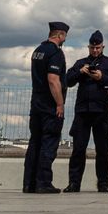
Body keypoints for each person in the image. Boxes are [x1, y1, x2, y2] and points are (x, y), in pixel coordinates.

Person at [63, 29, 108, 192]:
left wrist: (101, 77)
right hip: (82, 112)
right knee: (78, 149)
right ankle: (74, 183)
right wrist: (80, 72)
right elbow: (67, 80)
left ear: (103, 47)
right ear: (89, 47)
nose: (95, 50)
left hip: (100, 112)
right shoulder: (81, 63)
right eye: (92, 48)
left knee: (102, 149)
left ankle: (103, 183)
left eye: (98, 48)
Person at [24, 20, 68, 194]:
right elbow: (53, 79)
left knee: (34, 142)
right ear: (60, 35)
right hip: (49, 106)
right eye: (64, 36)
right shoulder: (55, 53)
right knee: (48, 143)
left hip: (36, 103)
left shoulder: (38, 51)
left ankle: (29, 183)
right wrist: (59, 103)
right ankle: (43, 182)